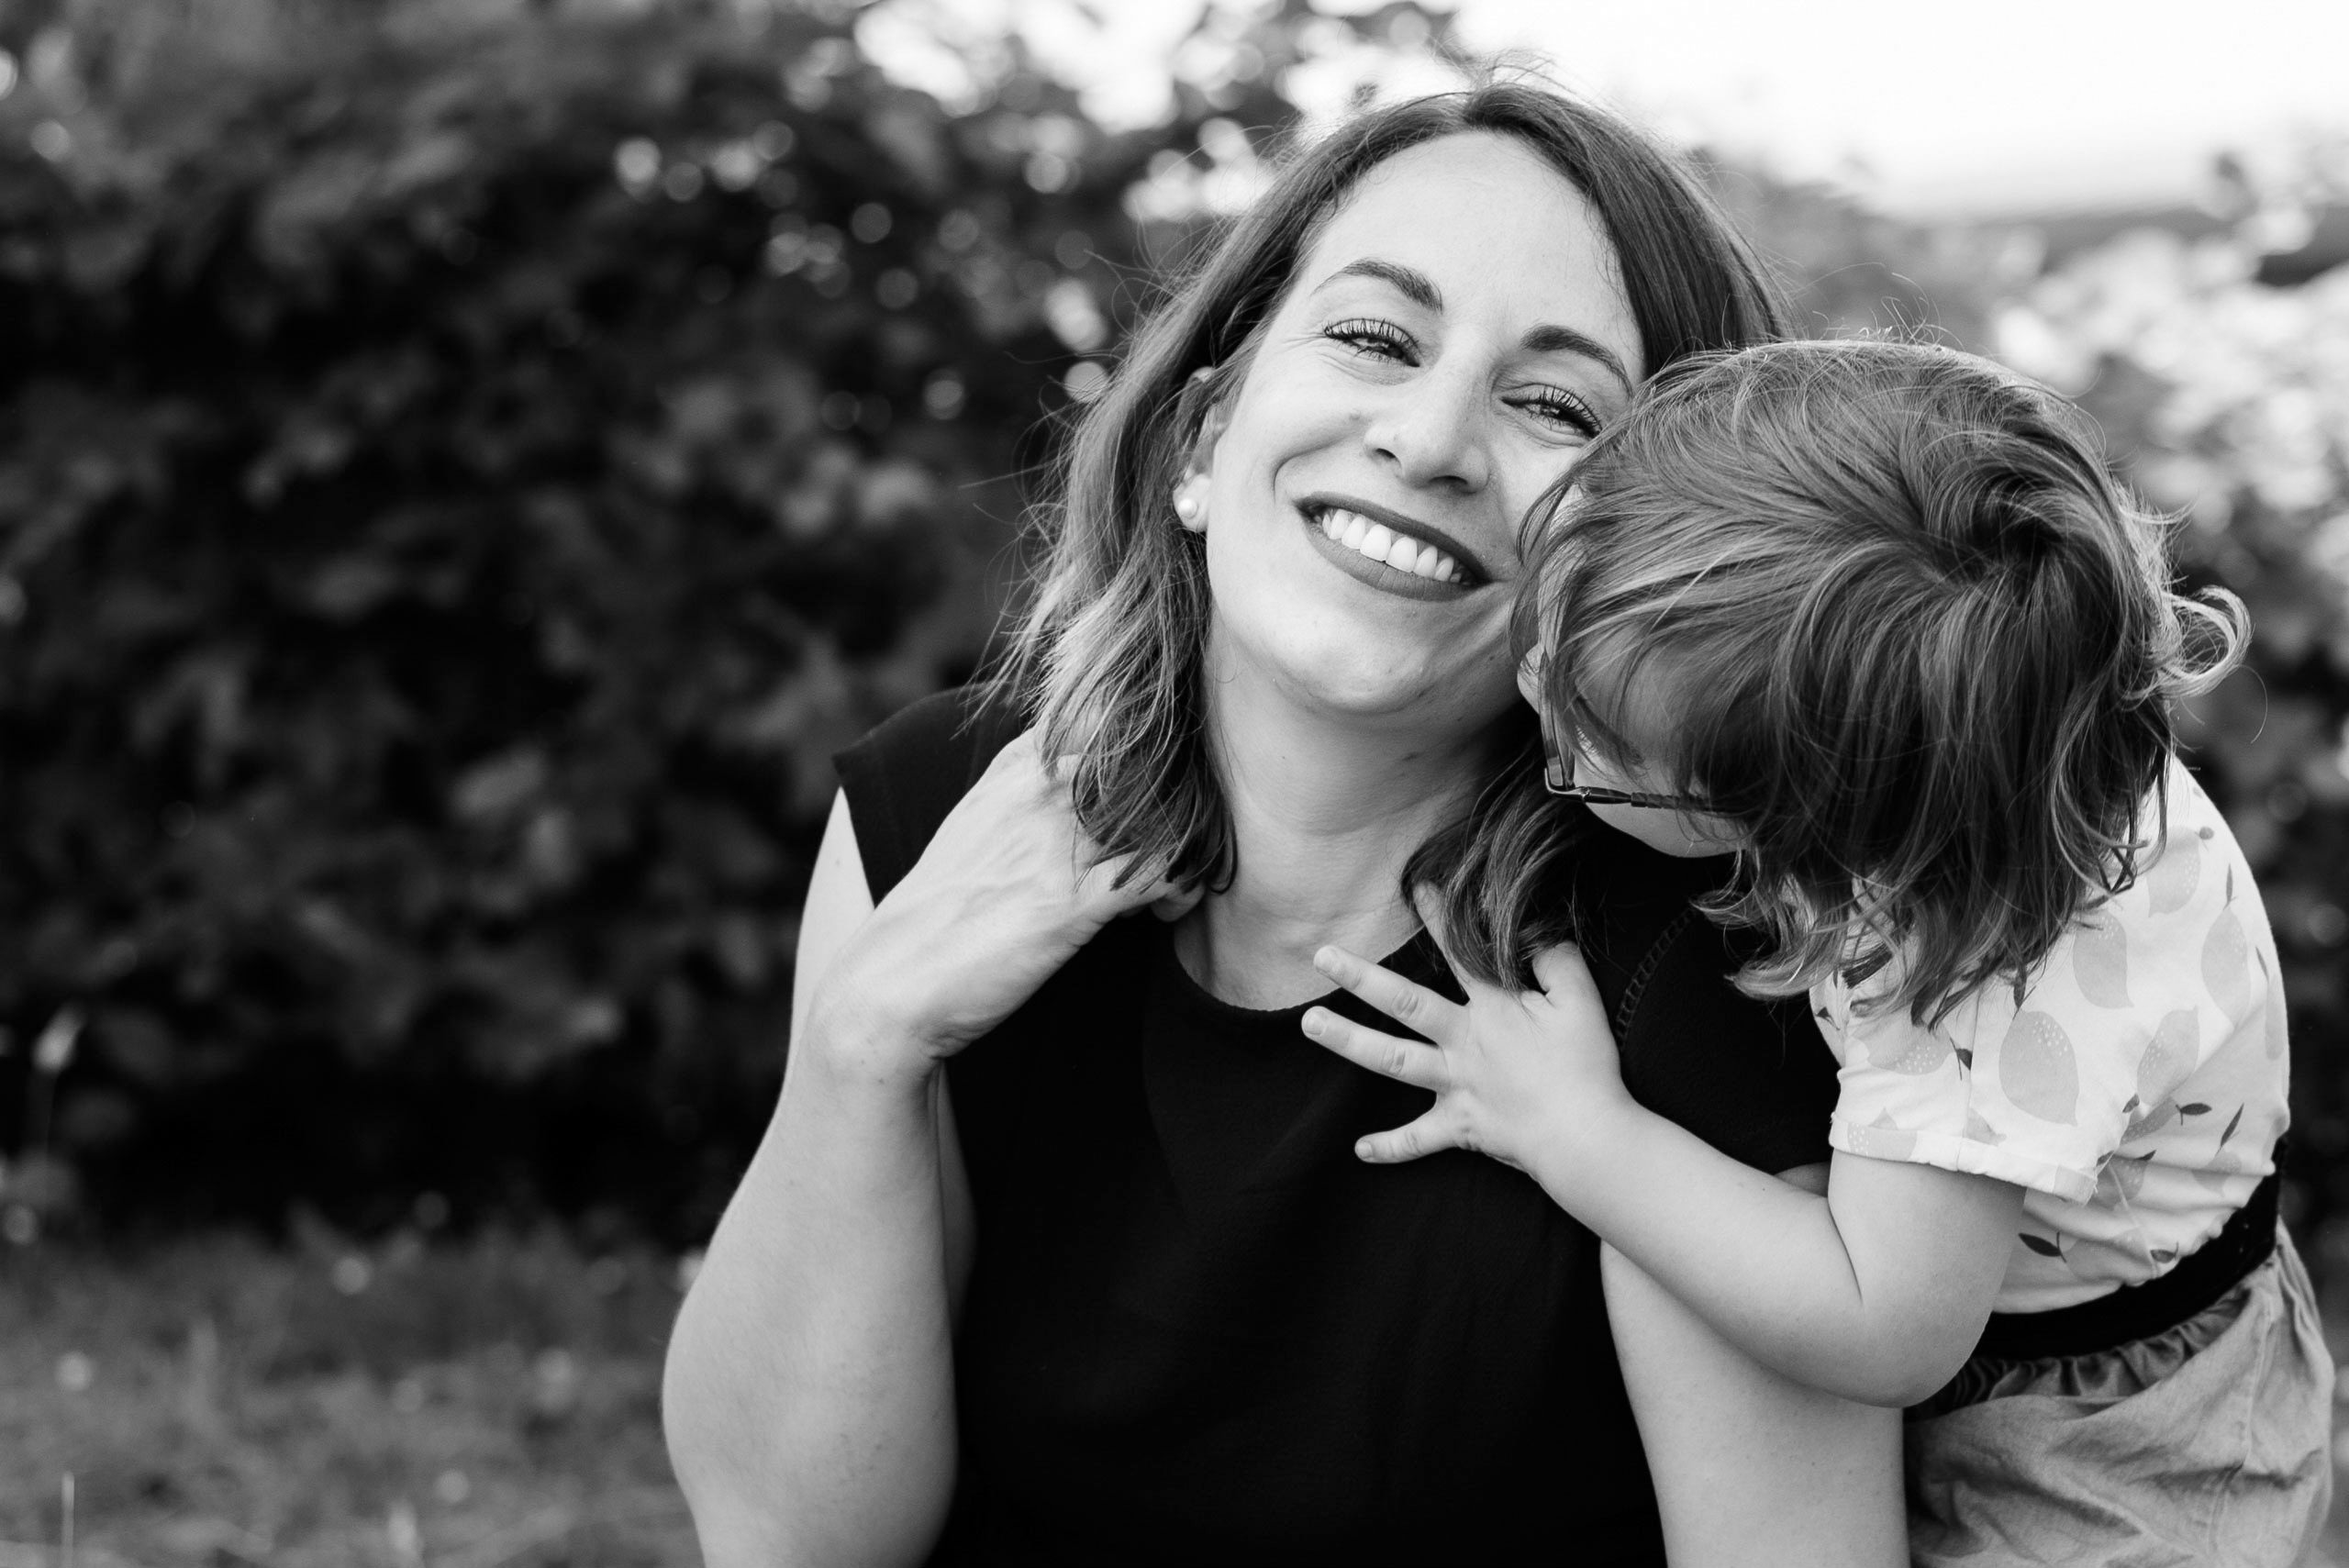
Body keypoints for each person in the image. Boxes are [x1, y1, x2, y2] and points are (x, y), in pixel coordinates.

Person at [662, 86, 1909, 1566]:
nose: (1434, 439)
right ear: (1202, 437)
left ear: (1660, 564)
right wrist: (862, 1046)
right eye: (1377, 338)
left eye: (1557, 406)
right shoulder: (942, 810)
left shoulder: (1690, 974)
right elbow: (790, 1539)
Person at [1306, 339, 2333, 1566]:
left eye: (1586, 754)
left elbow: (1882, 1321)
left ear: (1803, 828)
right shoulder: (2023, 704)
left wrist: (1571, 1128)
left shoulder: (1972, 959)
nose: (1529, 681)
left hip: (2111, 1450)